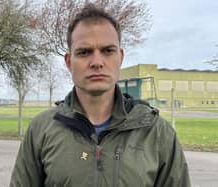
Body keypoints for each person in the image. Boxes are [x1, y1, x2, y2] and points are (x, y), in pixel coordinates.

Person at [10, 4, 190, 187]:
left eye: (107, 51)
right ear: (69, 61)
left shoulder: (156, 132)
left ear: (120, 57)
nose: (97, 62)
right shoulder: (42, 130)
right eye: (84, 52)